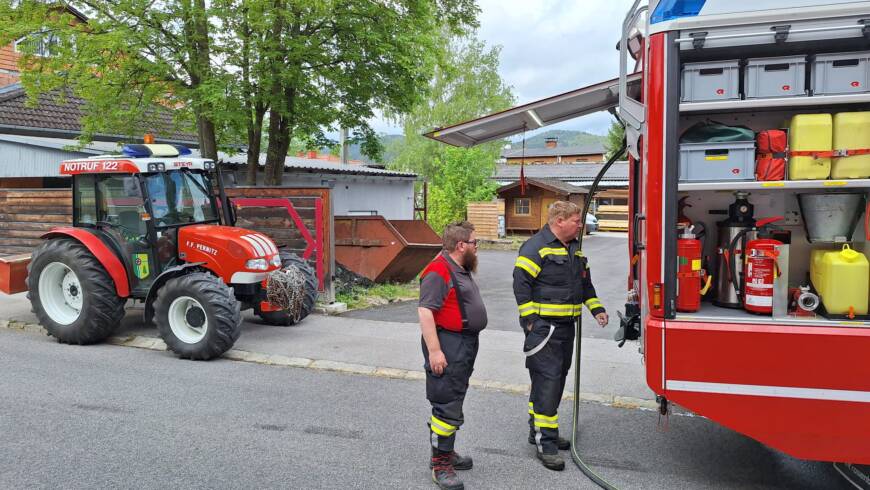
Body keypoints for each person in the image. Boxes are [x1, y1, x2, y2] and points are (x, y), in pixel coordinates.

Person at [512, 201, 608, 471]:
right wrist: (531, 322)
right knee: (548, 383)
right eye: (577, 221)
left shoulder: (575, 250)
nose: (581, 225)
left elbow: (584, 285)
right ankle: (547, 445)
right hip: (545, 330)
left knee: (553, 381)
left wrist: (596, 310)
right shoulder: (535, 247)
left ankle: (538, 432)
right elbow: (520, 284)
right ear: (559, 222)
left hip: (567, 328)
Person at [418, 221, 488, 490]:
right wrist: (435, 351)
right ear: (461, 246)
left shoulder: (458, 267)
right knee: (446, 403)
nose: (477, 248)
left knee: (453, 398)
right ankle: (441, 466)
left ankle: (445, 452)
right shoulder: (438, 270)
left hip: (464, 343)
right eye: (475, 243)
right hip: (448, 344)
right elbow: (425, 312)